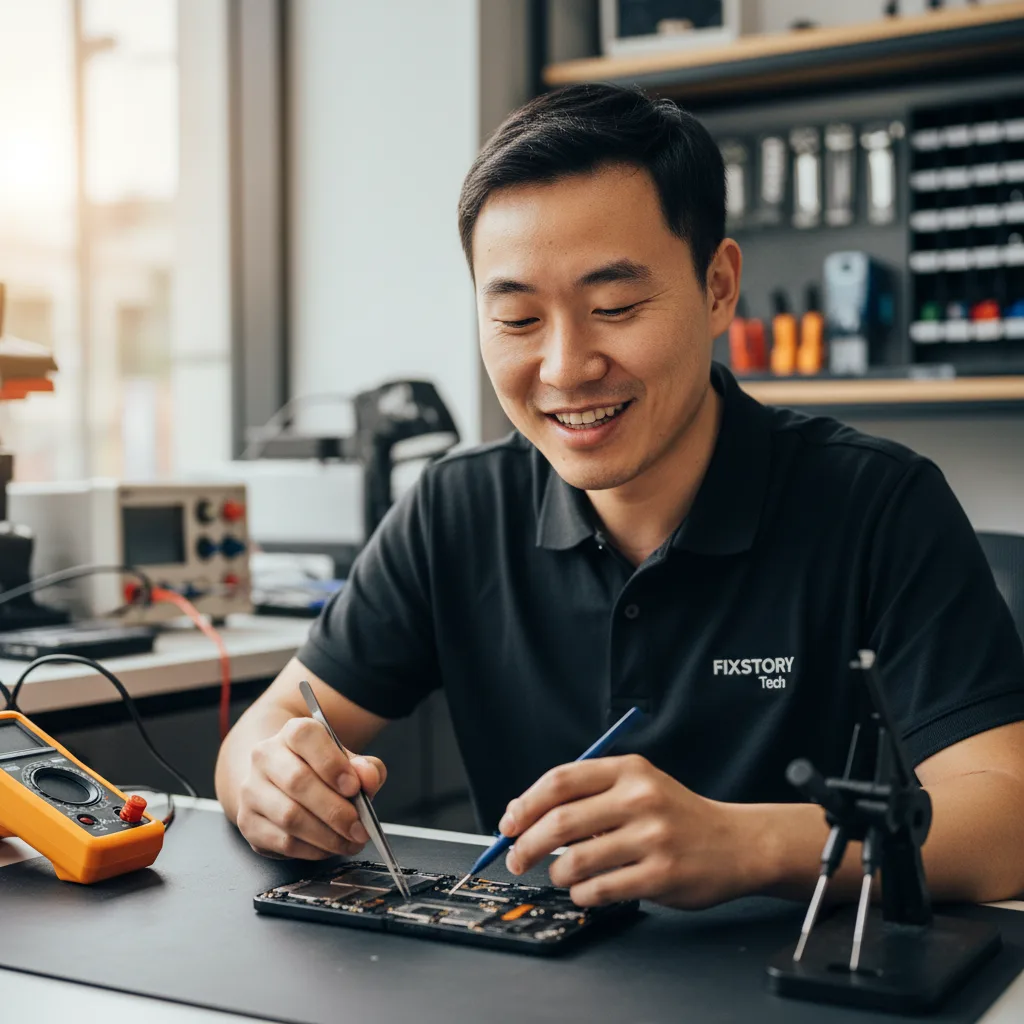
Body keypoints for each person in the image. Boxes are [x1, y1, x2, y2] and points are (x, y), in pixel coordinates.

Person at [215, 84, 1024, 910]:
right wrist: (273, 783)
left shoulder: (878, 505)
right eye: (519, 320)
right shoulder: (454, 508)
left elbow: (1008, 815)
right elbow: (265, 733)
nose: (566, 368)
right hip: (533, 963)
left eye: (615, 307)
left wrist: (750, 843)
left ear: (718, 286)